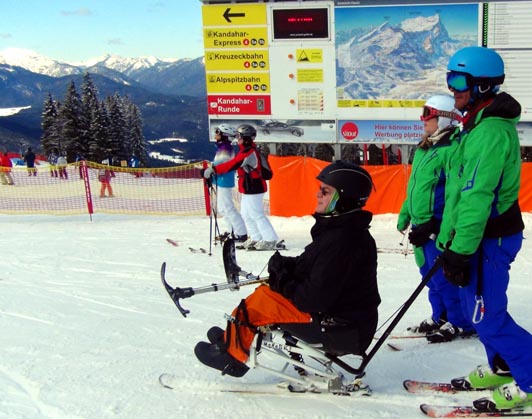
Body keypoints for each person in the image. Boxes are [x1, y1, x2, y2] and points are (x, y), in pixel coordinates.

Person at [194, 161, 381, 378]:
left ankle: (232, 357)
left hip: (340, 329)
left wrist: (283, 280)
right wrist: (286, 267)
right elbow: (315, 268)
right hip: (342, 320)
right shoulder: (340, 229)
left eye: (325, 191)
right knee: (266, 293)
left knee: (261, 302)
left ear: (343, 198)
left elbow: (313, 298)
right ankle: (233, 337)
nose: (318, 195)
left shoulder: (343, 240)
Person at [437, 46, 532, 412]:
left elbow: (477, 197)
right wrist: (450, 241)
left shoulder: (489, 133)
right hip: (472, 237)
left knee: (486, 316)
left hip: (489, 238)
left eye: (459, 80)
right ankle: (504, 365)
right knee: (474, 308)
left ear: (482, 86)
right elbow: (460, 195)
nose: (453, 88)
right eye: (449, 79)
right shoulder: (473, 126)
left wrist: (461, 249)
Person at [397, 94, 474, 343]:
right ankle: (440, 316)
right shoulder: (425, 149)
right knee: (427, 275)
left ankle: (460, 322)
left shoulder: (452, 150)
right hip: (421, 225)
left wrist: (438, 225)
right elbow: (415, 187)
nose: (423, 120)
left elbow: (454, 192)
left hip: (438, 226)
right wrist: (405, 213)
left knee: (443, 277)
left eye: (428, 115)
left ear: (444, 119)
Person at [203, 124, 279, 251]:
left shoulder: (249, 152)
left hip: (254, 187)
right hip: (248, 187)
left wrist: (213, 169)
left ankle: (270, 239)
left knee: (256, 214)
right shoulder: (245, 151)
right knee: (246, 214)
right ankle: (255, 237)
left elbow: (232, 164)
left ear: (246, 138)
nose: (237, 139)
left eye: (239, 136)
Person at [208, 124, 247, 242]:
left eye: (217, 132)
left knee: (228, 207)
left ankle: (241, 233)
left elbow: (222, 165)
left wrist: (210, 171)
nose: (215, 134)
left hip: (224, 181)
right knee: (222, 208)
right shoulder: (222, 147)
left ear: (224, 135)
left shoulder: (225, 149)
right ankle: (232, 231)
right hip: (221, 180)